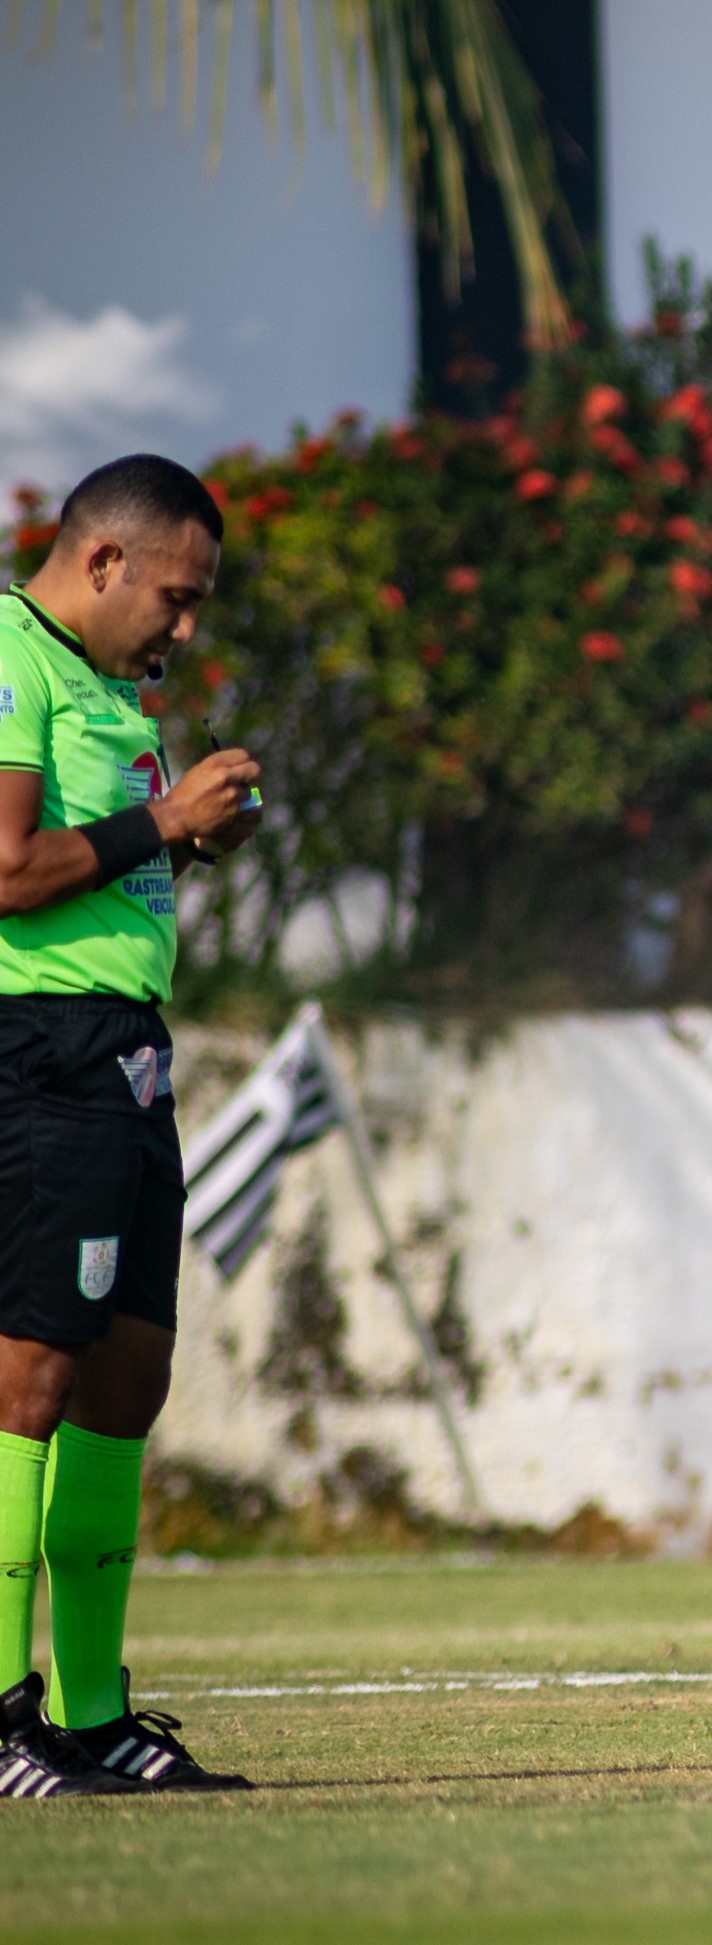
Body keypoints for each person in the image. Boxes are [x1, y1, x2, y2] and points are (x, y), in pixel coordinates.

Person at [0, 454, 264, 1794]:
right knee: (31, 1374)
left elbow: (99, 860)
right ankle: (0, 1720)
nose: (183, 626)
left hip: (128, 1056)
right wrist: (163, 816)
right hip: (37, 1047)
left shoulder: (105, 685)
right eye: (175, 595)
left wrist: (184, 839)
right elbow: (6, 871)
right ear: (103, 561)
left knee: (129, 1377)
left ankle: (93, 1717)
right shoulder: (8, 655)